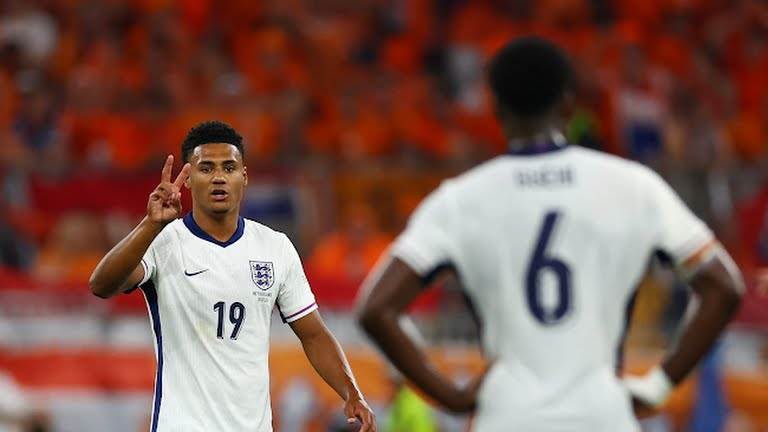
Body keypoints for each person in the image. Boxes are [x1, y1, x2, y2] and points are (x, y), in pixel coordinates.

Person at [356, 37, 744, 432]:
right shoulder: (633, 186)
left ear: (496, 109)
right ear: (568, 104)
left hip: (509, 416)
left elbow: (376, 308)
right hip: (602, 414)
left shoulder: (461, 199)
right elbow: (724, 286)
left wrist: (450, 397)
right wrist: (658, 386)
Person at [89, 121, 375, 432]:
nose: (219, 178)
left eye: (229, 167)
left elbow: (314, 334)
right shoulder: (164, 241)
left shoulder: (275, 247)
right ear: (188, 178)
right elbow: (101, 285)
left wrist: (351, 392)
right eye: (206, 168)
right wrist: (150, 224)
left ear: (244, 176)